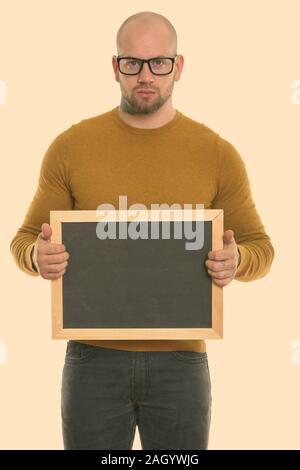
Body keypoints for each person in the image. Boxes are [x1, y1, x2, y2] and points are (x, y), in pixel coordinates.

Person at [10, 11, 275, 450]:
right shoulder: (70, 147)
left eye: (159, 62)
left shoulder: (217, 153)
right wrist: (37, 255)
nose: (146, 75)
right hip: (92, 360)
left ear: (179, 66)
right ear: (115, 67)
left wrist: (238, 260)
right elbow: (23, 239)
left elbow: (259, 247)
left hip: (182, 363)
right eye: (132, 63)